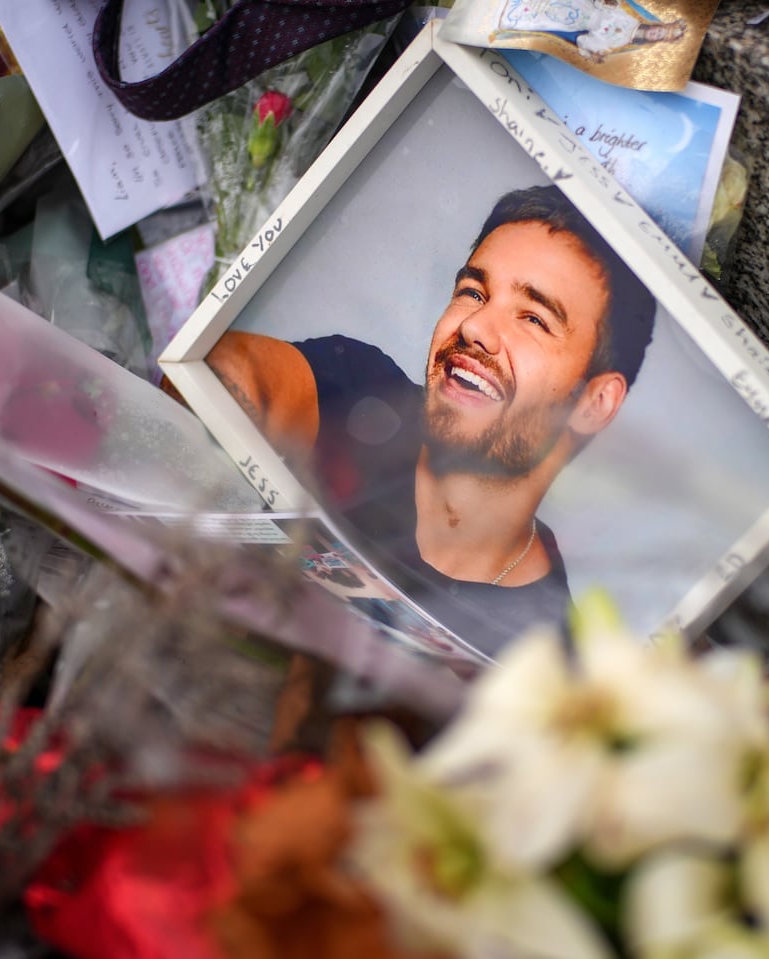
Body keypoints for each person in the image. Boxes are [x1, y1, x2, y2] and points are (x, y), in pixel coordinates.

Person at [206, 186, 657, 655]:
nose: (475, 326)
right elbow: (219, 368)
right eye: (473, 292)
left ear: (595, 402)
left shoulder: (544, 658)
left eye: (534, 319)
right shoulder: (360, 393)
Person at [496, 0, 688, 62]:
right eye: (660, 31)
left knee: (547, 16)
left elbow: (588, 40)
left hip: (576, 23)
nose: (656, 34)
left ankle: (515, 15)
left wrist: (593, 51)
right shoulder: (630, 18)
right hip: (586, 7)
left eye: (660, 37)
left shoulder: (620, 43)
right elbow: (611, 7)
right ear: (657, 26)